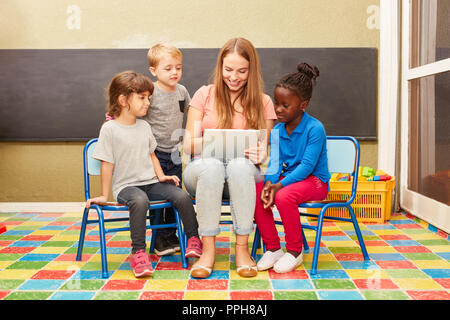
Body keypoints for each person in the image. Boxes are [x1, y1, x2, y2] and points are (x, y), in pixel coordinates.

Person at [87, 70, 200, 278]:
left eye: (148, 97)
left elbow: (152, 156)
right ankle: (138, 252)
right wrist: (104, 195)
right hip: (127, 187)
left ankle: (193, 238)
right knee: (139, 200)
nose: (147, 102)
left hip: (151, 183)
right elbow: (106, 164)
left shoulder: (145, 126)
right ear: (122, 100)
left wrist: (161, 177)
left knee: (181, 195)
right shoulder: (109, 129)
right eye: (142, 98)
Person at [182, 38, 277, 278]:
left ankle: (242, 249)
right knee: (212, 167)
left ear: (251, 70)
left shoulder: (264, 102)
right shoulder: (204, 95)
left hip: (243, 175)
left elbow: (267, 151)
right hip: (202, 172)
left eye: (242, 71)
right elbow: (187, 144)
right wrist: (217, 141)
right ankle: (208, 251)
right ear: (220, 67)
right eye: (228, 69)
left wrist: (262, 152)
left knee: (239, 166)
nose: (233, 77)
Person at [106, 44, 201, 258]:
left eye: (178, 67)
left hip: (175, 153)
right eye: (168, 68)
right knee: (157, 202)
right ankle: (160, 239)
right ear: (154, 70)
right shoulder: (151, 91)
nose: (174, 72)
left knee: (173, 198)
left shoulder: (182, 91)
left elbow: (192, 112)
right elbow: (133, 114)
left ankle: (172, 236)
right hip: (154, 153)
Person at [254, 62, 331, 273]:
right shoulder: (278, 130)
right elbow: (275, 164)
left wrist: (278, 187)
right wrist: (269, 185)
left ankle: (295, 251)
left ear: (302, 105)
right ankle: (273, 248)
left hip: (315, 182)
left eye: (285, 105)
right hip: (289, 181)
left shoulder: (315, 128)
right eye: (276, 103)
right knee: (258, 191)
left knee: (283, 196)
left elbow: (307, 167)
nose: (278, 109)